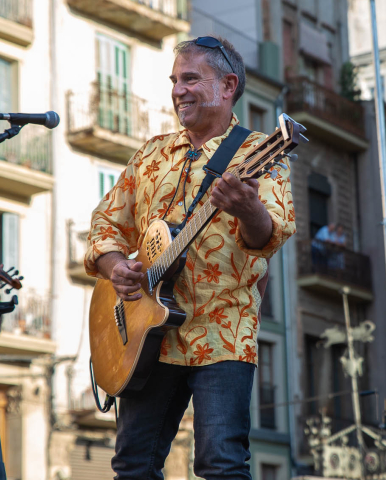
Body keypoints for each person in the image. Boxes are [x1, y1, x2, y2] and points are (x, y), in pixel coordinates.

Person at [85, 36, 295, 479]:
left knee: (221, 462)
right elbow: (105, 225)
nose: (178, 89)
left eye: (191, 79)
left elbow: (270, 234)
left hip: (223, 329)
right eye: (175, 80)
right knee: (132, 464)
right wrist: (116, 267)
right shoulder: (150, 154)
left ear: (227, 85)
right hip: (145, 333)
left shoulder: (259, 153)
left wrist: (247, 207)